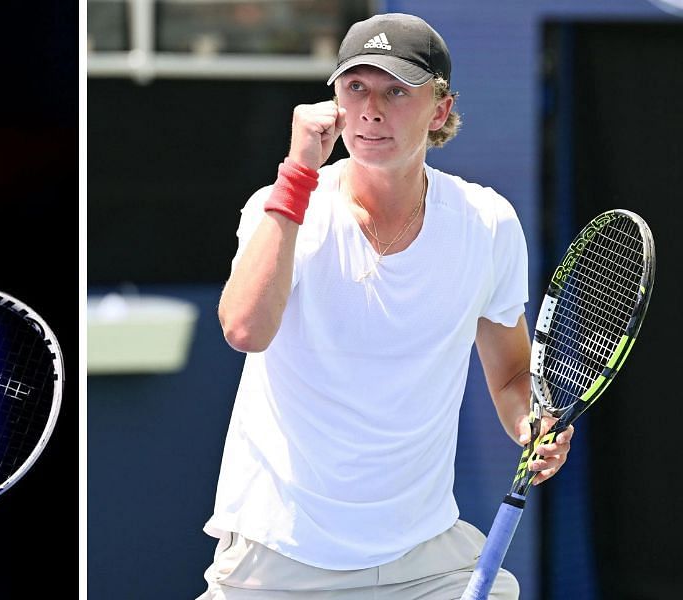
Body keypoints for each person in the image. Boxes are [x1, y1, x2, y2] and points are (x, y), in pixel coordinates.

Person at [203, 13, 573, 599]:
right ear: (334, 102)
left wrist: (532, 423)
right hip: (282, 555)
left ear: (440, 108)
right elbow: (245, 328)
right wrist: (298, 174)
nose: (372, 109)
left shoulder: (488, 223)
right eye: (356, 88)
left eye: (397, 90)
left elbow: (508, 375)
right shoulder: (282, 207)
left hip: (422, 555)